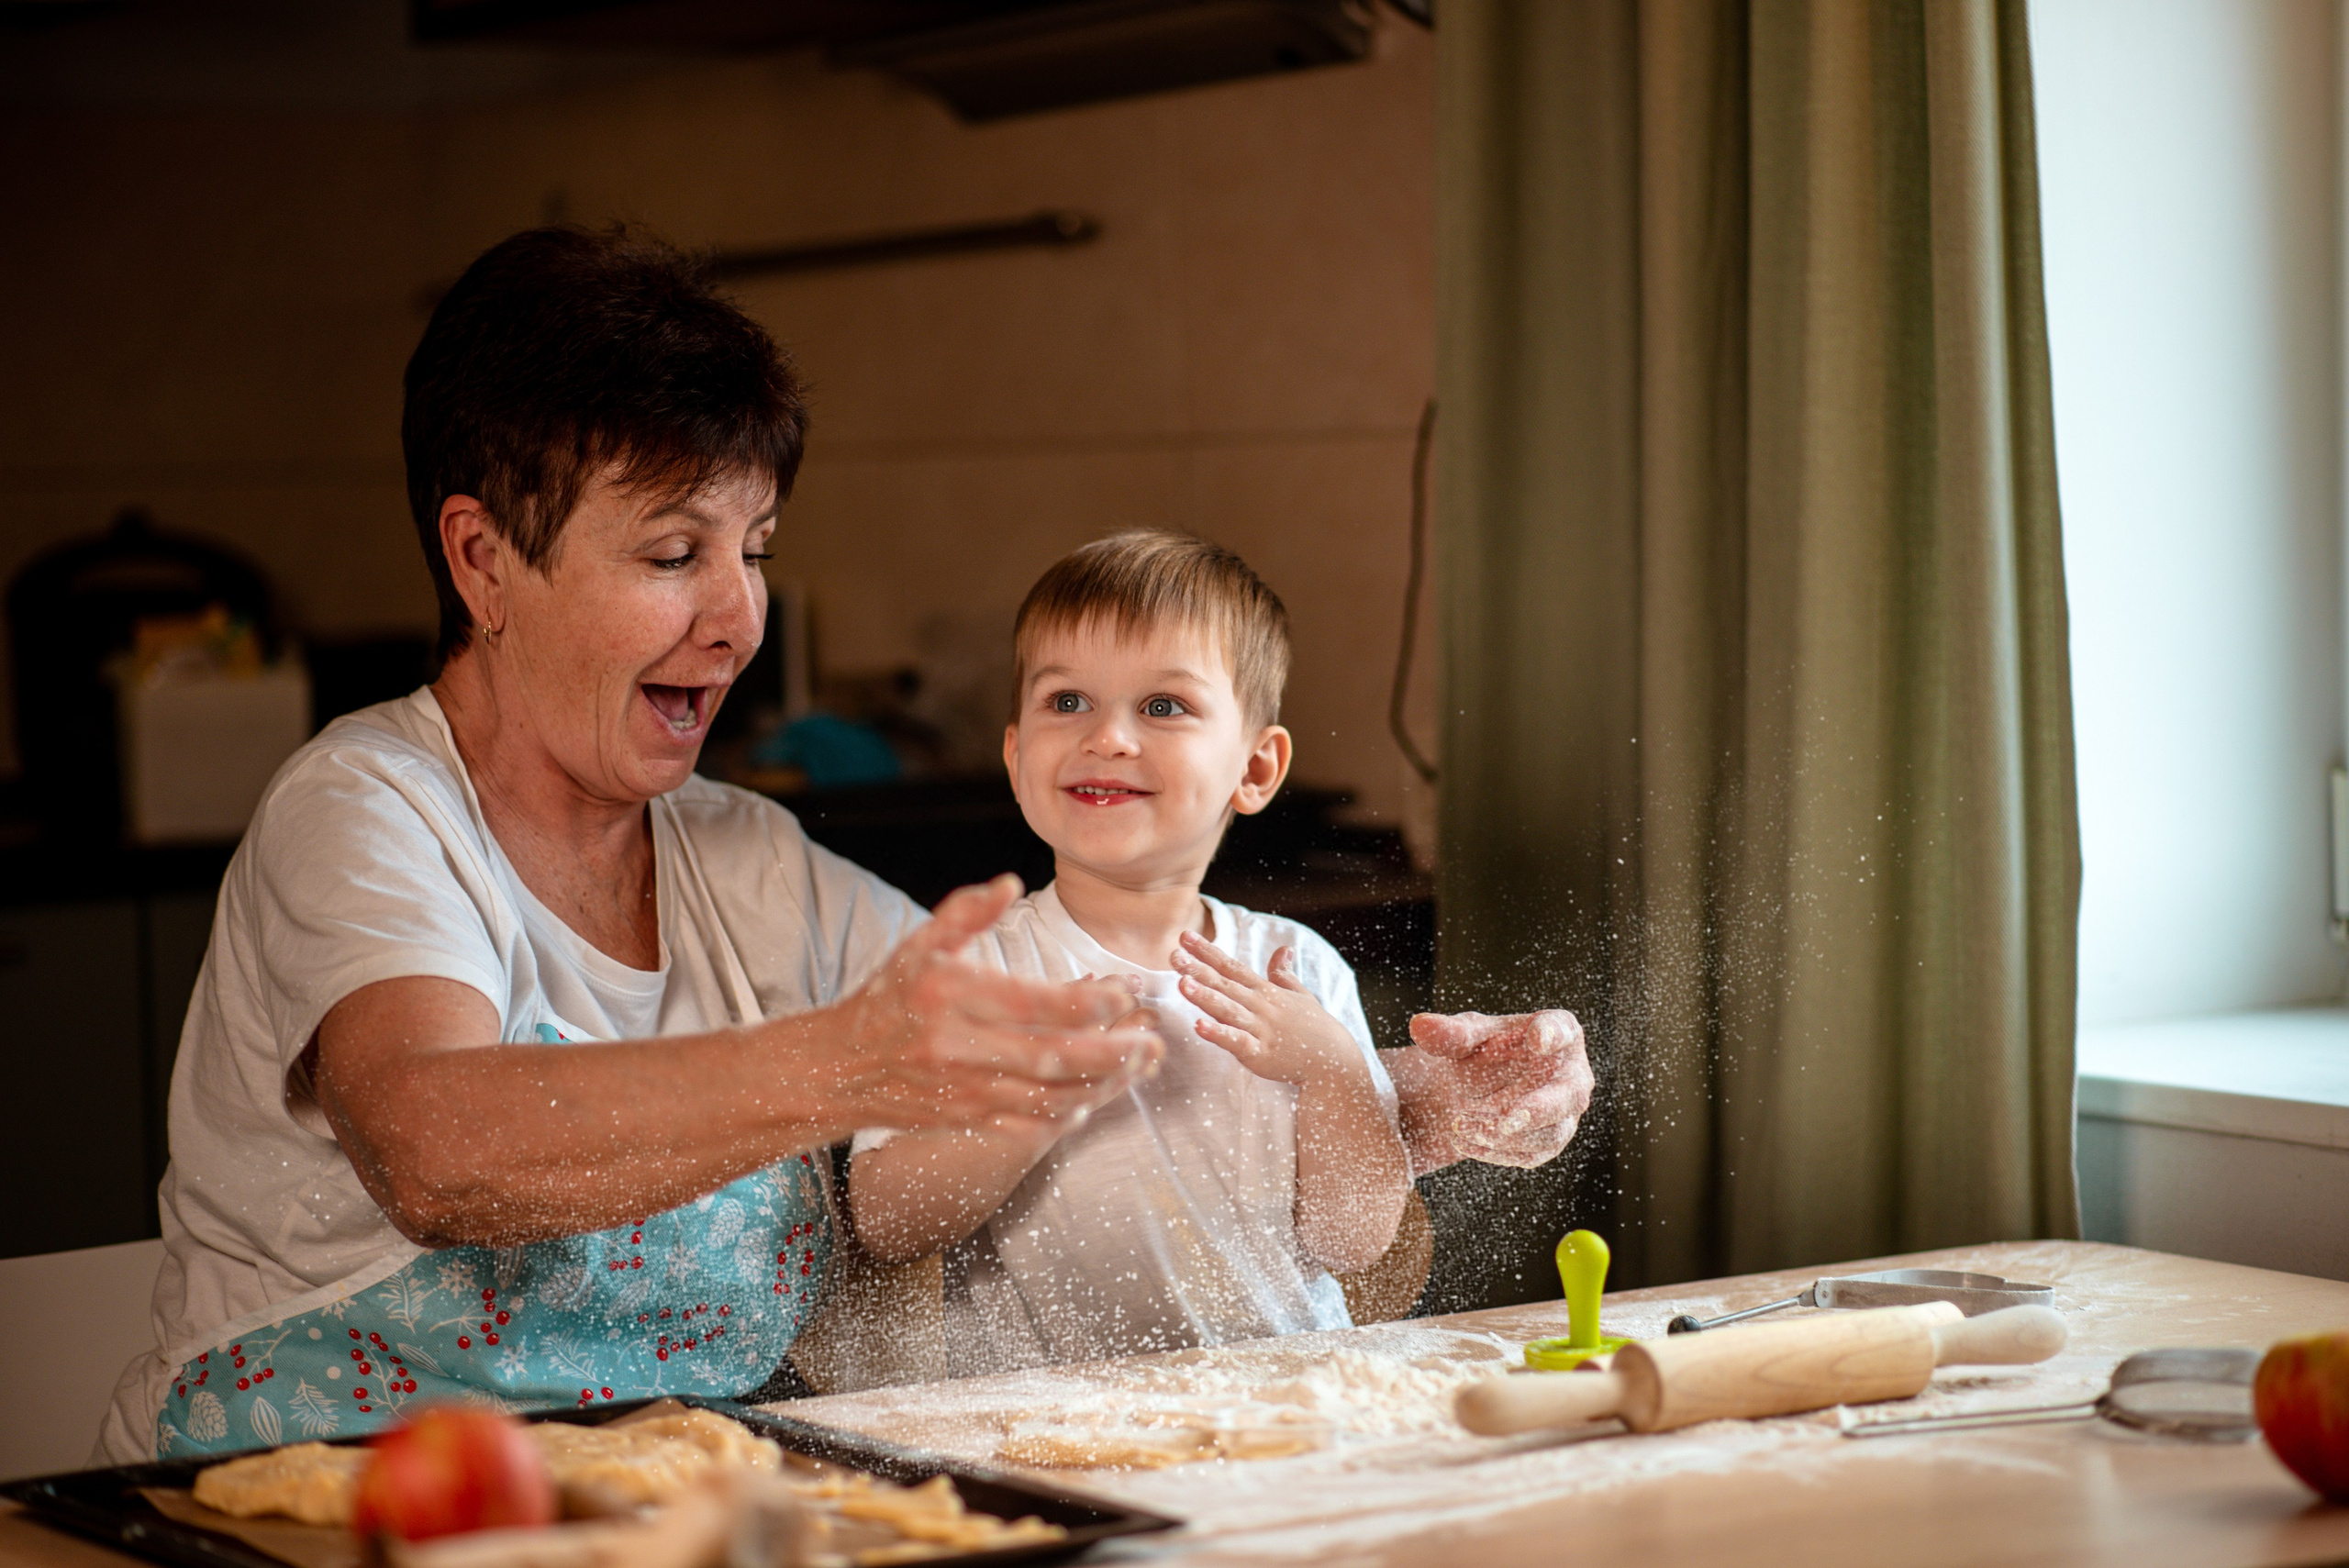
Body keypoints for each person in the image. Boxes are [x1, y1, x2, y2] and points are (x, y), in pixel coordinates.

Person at [96, 224, 1592, 1462]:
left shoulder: (748, 862)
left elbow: (1061, 1033)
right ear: (485, 555)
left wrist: (1412, 1096)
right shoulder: (366, 809)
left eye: (751, 549)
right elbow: (440, 1146)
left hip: (680, 1506)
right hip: (317, 1505)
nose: (737, 615)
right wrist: (848, 1063)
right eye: (673, 552)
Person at [849, 533, 1412, 1374]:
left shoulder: (1300, 970)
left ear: (1256, 768)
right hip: (1048, 1440)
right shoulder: (966, 972)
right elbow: (887, 1222)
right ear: (1014, 755)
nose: (1107, 736)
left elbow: (1354, 1241)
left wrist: (1330, 1070)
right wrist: (1034, 1103)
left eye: (1162, 706)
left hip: (1287, 1416)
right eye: (1067, 701)